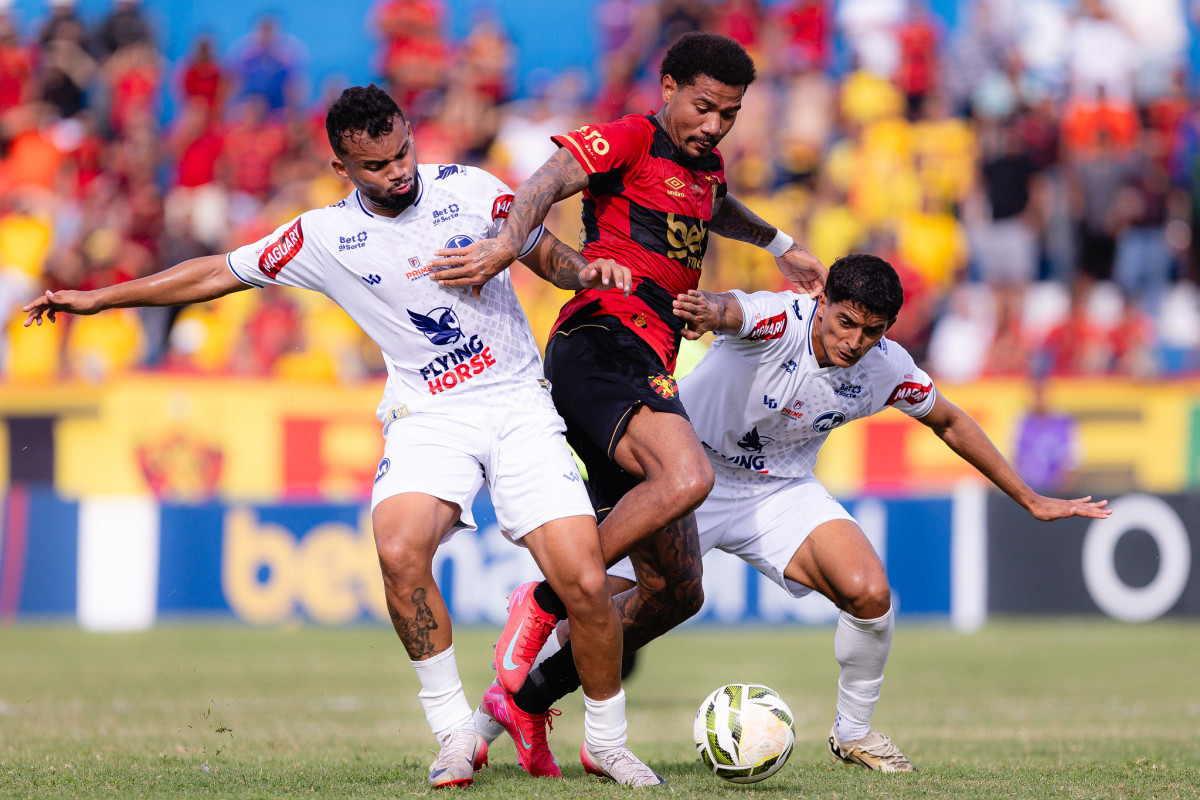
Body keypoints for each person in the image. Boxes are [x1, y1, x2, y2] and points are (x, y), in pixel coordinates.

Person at [21, 84, 664, 789]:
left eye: (403, 152)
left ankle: (606, 741)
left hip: (515, 401)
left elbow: (549, 256)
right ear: (342, 170)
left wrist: (587, 273)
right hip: (429, 413)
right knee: (397, 548)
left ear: (411, 133)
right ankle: (455, 734)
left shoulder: (472, 188)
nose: (399, 171)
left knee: (582, 582)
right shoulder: (324, 237)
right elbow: (214, 272)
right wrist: (97, 298)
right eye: (378, 165)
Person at [481, 253, 1113, 772]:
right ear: (821, 304)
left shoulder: (885, 368)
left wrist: (1028, 496)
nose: (855, 342)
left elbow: (947, 418)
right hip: (685, 476)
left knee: (870, 593)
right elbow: (735, 310)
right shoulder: (779, 320)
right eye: (845, 323)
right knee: (629, 600)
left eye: (873, 332)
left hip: (779, 490)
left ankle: (854, 733)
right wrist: (710, 311)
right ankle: (496, 711)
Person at [428, 32, 826, 765]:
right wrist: (505, 245)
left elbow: (714, 205)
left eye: (729, 115)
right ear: (668, 86)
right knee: (688, 476)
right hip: (601, 341)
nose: (713, 126)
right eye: (704, 107)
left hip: (652, 361)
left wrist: (779, 243)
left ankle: (517, 705)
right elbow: (543, 182)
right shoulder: (629, 138)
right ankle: (545, 600)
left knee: (677, 591)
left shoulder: (704, 164)